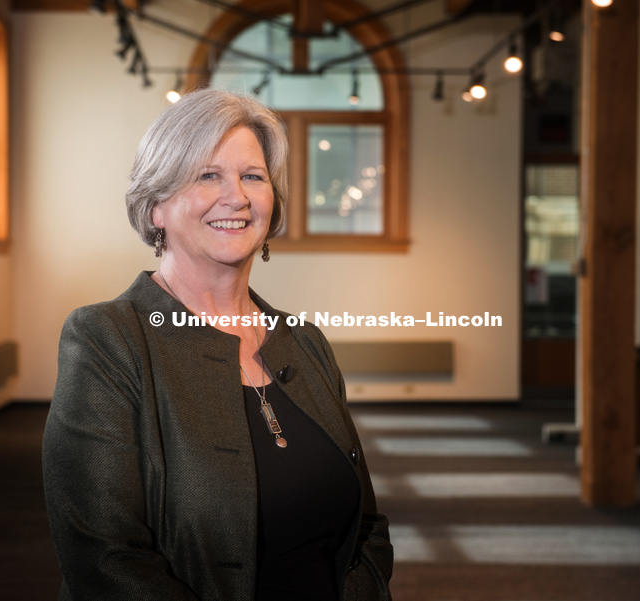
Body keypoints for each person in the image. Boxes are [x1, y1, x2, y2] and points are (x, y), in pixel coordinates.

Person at [42, 88, 393, 601]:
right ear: (156, 206)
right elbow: (105, 561)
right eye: (209, 175)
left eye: (253, 176)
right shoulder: (107, 340)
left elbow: (365, 527)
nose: (238, 197)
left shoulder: (305, 341)